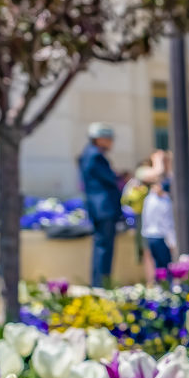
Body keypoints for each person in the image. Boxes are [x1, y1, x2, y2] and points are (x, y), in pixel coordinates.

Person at [79, 122, 122, 287]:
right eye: (108, 139)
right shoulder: (95, 156)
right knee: (105, 247)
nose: (111, 142)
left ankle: (99, 283)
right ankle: (101, 284)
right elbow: (110, 179)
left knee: (101, 246)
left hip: (98, 208)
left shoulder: (89, 153)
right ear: (99, 139)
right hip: (104, 208)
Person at [140, 165, 176, 276]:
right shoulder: (164, 201)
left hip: (150, 235)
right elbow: (166, 222)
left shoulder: (148, 199)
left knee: (158, 266)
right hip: (160, 236)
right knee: (165, 266)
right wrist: (172, 241)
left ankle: (160, 287)